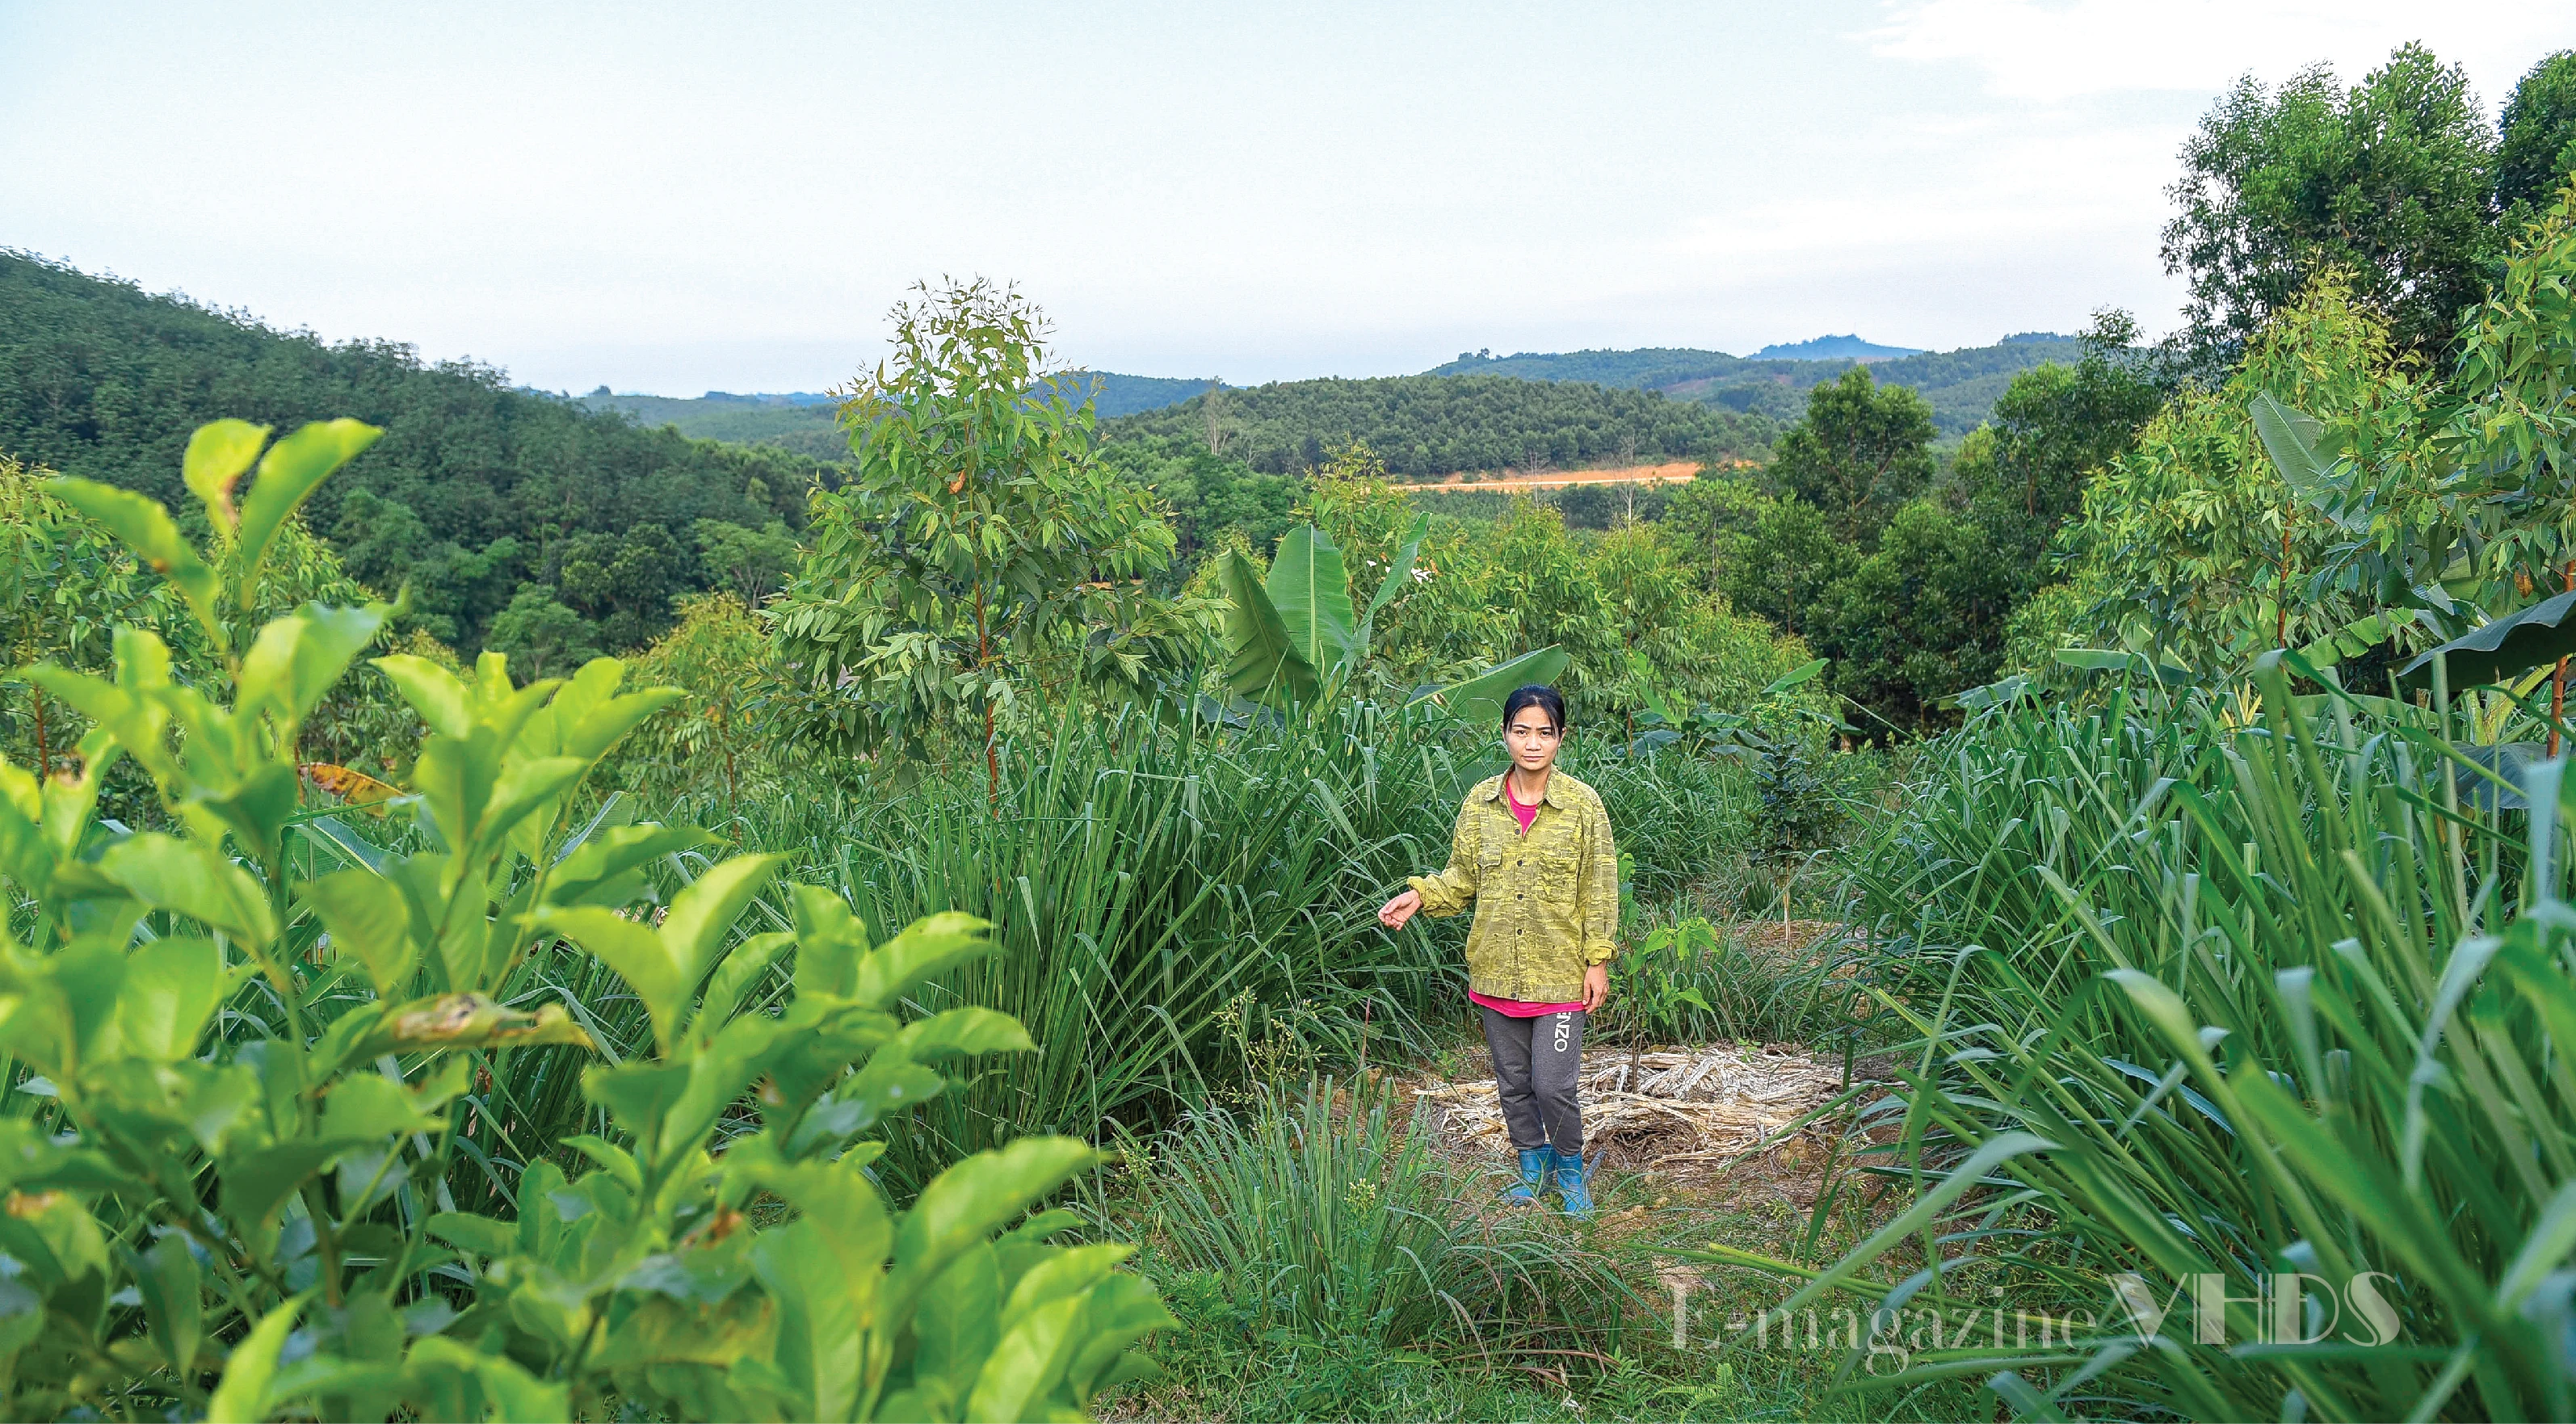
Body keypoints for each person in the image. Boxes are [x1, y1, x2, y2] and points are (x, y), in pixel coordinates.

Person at [1378, 684, 1616, 1216]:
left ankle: (1571, 1172)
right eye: (1521, 730)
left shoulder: (1582, 805)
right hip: (1494, 972)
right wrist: (1419, 894)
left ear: (1560, 737)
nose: (1532, 743)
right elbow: (1461, 876)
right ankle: (1532, 1169)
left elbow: (1598, 885)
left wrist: (1596, 958)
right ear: (1505, 733)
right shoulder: (1480, 802)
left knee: (1552, 1085)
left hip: (1558, 976)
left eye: (1544, 732)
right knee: (1512, 1085)